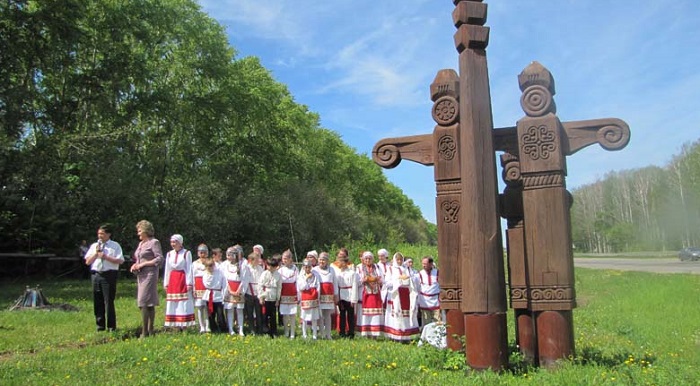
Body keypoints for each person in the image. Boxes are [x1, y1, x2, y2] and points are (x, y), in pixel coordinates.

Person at [85, 224, 124, 332]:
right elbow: (87, 261)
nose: (99, 236)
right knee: (97, 301)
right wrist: (96, 254)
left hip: (109, 275)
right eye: (98, 233)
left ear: (108, 234)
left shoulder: (115, 245)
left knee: (108, 301)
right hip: (96, 274)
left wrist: (106, 257)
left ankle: (111, 327)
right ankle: (100, 326)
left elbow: (120, 260)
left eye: (102, 233)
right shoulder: (94, 246)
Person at [129, 220, 164, 338]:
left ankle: (145, 332)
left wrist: (144, 264)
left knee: (143, 301)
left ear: (146, 231)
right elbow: (139, 259)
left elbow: (159, 259)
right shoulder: (141, 244)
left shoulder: (154, 242)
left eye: (139, 231)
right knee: (148, 303)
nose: (138, 233)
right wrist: (135, 265)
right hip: (141, 275)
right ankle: (150, 330)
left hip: (150, 274)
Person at [383, 252, 419, 342]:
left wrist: (408, 278)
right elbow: (387, 282)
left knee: (406, 314)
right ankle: (396, 335)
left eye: (401, 260)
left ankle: (407, 335)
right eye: (397, 259)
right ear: (395, 260)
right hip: (395, 295)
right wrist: (398, 280)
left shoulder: (406, 268)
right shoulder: (390, 269)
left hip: (406, 294)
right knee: (396, 314)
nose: (399, 261)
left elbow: (414, 279)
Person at [163, 234, 196, 330]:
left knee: (183, 301)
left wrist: (189, 283)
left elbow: (189, 268)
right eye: (172, 242)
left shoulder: (186, 253)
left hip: (182, 278)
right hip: (173, 279)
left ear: (180, 243)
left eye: (175, 242)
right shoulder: (169, 254)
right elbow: (167, 269)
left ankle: (184, 324)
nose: (173, 244)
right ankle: (174, 324)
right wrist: (166, 283)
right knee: (173, 301)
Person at [356, 251, 384, 338]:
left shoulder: (377, 267)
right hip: (364, 293)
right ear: (363, 260)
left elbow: (382, 278)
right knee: (365, 314)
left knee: (375, 314)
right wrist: (364, 280)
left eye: (370, 258)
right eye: (366, 258)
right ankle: (365, 333)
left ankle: (375, 333)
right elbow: (357, 280)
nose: (368, 260)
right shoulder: (359, 267)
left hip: (375, 294)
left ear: (372, 259)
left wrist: (378, 280)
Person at [221, 245, 247, 336]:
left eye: (230, 255)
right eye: (227, 255)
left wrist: (239, 290)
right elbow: (224, 279)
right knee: (230, 309)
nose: (228, 257)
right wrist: (230, 290)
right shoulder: (224, 265)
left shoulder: (242, 265)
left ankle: (241, 329)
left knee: (239, 310)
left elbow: (244, 279)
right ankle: (231, 329)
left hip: (239, 289)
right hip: (229, 289)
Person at [313, 252, 338, 340]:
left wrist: (336, 294)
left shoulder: (332, 269)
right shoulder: (315, 269)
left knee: (327, 315)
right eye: (320, 259)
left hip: (329, 295)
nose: (322, 261)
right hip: (319, 295)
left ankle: (328, 334)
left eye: (323, 260)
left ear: (327, 261)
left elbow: (334, 282)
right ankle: (322, 334)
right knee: (320, 315)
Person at [257, 254, 282, 338]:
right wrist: (261, 296)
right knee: (264, 315)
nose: (270, 268)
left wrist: (278, 299)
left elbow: (279, 287)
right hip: (265, 296)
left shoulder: (278, 275)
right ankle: (265, 330)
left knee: (273, 316)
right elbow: (260, 285)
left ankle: (273, 331)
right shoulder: (264, 274)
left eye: (272, 266)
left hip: (273, 296)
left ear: (276, 267)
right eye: (268, 266)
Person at [335, 254, 358, 338]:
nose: (340, 263)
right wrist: (337, 296)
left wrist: (353, 299)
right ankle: (342, 332)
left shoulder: (352, 273)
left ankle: (351, 332)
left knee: (350, 315)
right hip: (341, 295)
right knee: (342, 314)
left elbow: (354, 286)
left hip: (350, 294)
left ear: (345, 263)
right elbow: (336, 285)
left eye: (341, 262)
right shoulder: (338, 273)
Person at [297, 259, 320, 339]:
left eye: (309, 267)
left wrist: (317, 296)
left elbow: (318, 286)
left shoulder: (315, 275)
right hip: (305, 297)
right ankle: (304, 334)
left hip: (313, 297)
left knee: (314, 317)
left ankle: (314, 335)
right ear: (303, 267)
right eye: (306, 267)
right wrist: (306, 278)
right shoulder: (300, 276)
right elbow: (301, 287)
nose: (307, 269)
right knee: (304, 317)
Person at [278, 249, 299, 339]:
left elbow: (298, 282)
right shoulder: (280, 270)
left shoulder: (295, 269)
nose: (284, 260)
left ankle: (293, 332)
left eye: (286, 258)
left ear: (290, 259)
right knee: (285, 314)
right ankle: (286, 331)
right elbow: (278, 283)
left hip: (292, 293)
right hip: (283, 293)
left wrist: (299, 295)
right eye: (283, 258)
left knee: (292, 314)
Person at [203, 257, 226, 333]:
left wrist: (223, 293)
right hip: (209, 295)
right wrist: (210, 275)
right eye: (207, 266)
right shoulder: (205, 274)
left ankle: (223, 328)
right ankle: (213, 328)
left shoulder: (219, 272)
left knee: (220, 314)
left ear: (214, 265)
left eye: (211, 266)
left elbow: (223, 282)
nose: (209, 268)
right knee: (211, 314)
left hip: (218, 295)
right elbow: (206, 284)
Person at [243, 252, 265, 335]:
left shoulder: (260, 268)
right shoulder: (247, 268)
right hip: (249, 292)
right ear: (251, 260)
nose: (258, 261)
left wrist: (261, 294)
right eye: (256, 259)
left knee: (259, 312)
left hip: (258, 293)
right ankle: (252, 329)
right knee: (250, 312)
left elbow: (262, 281)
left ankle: (260, 329)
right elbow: (245, 281)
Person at [418, 256, 442, 328]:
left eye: (425, 263)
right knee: (426, 322)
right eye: (423, 263)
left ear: (431, 264)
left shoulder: (437, 272)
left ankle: (439, 336)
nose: (423, 265)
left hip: (435, 300)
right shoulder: (420, 274)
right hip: (425, 300)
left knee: (438, 320)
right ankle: (426, 337)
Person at [191, 244, 210, 333]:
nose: (202, 254)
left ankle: (207, 325)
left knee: (206, 307)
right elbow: (192, 277)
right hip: (198, 286)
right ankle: (201, 326)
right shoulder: (194, 264)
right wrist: (194, 289)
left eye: (204, 252)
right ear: (198, 253)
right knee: (199, 307)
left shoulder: (209, 263)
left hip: (206, 286)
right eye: (201, 252)